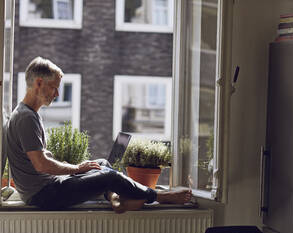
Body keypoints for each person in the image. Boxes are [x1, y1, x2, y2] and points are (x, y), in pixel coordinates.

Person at [6, 56, 192, 212]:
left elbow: (40, 163)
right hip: (44, 194)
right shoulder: (26, 118)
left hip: (49, 186)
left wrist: (79, 167)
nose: (56, 94)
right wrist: (77, 168)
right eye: (54, 87)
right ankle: (160, 196)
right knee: (108, 176)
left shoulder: (29, 114)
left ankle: (115, 197)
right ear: (39, 83)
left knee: (100, 164)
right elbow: (41, 165)